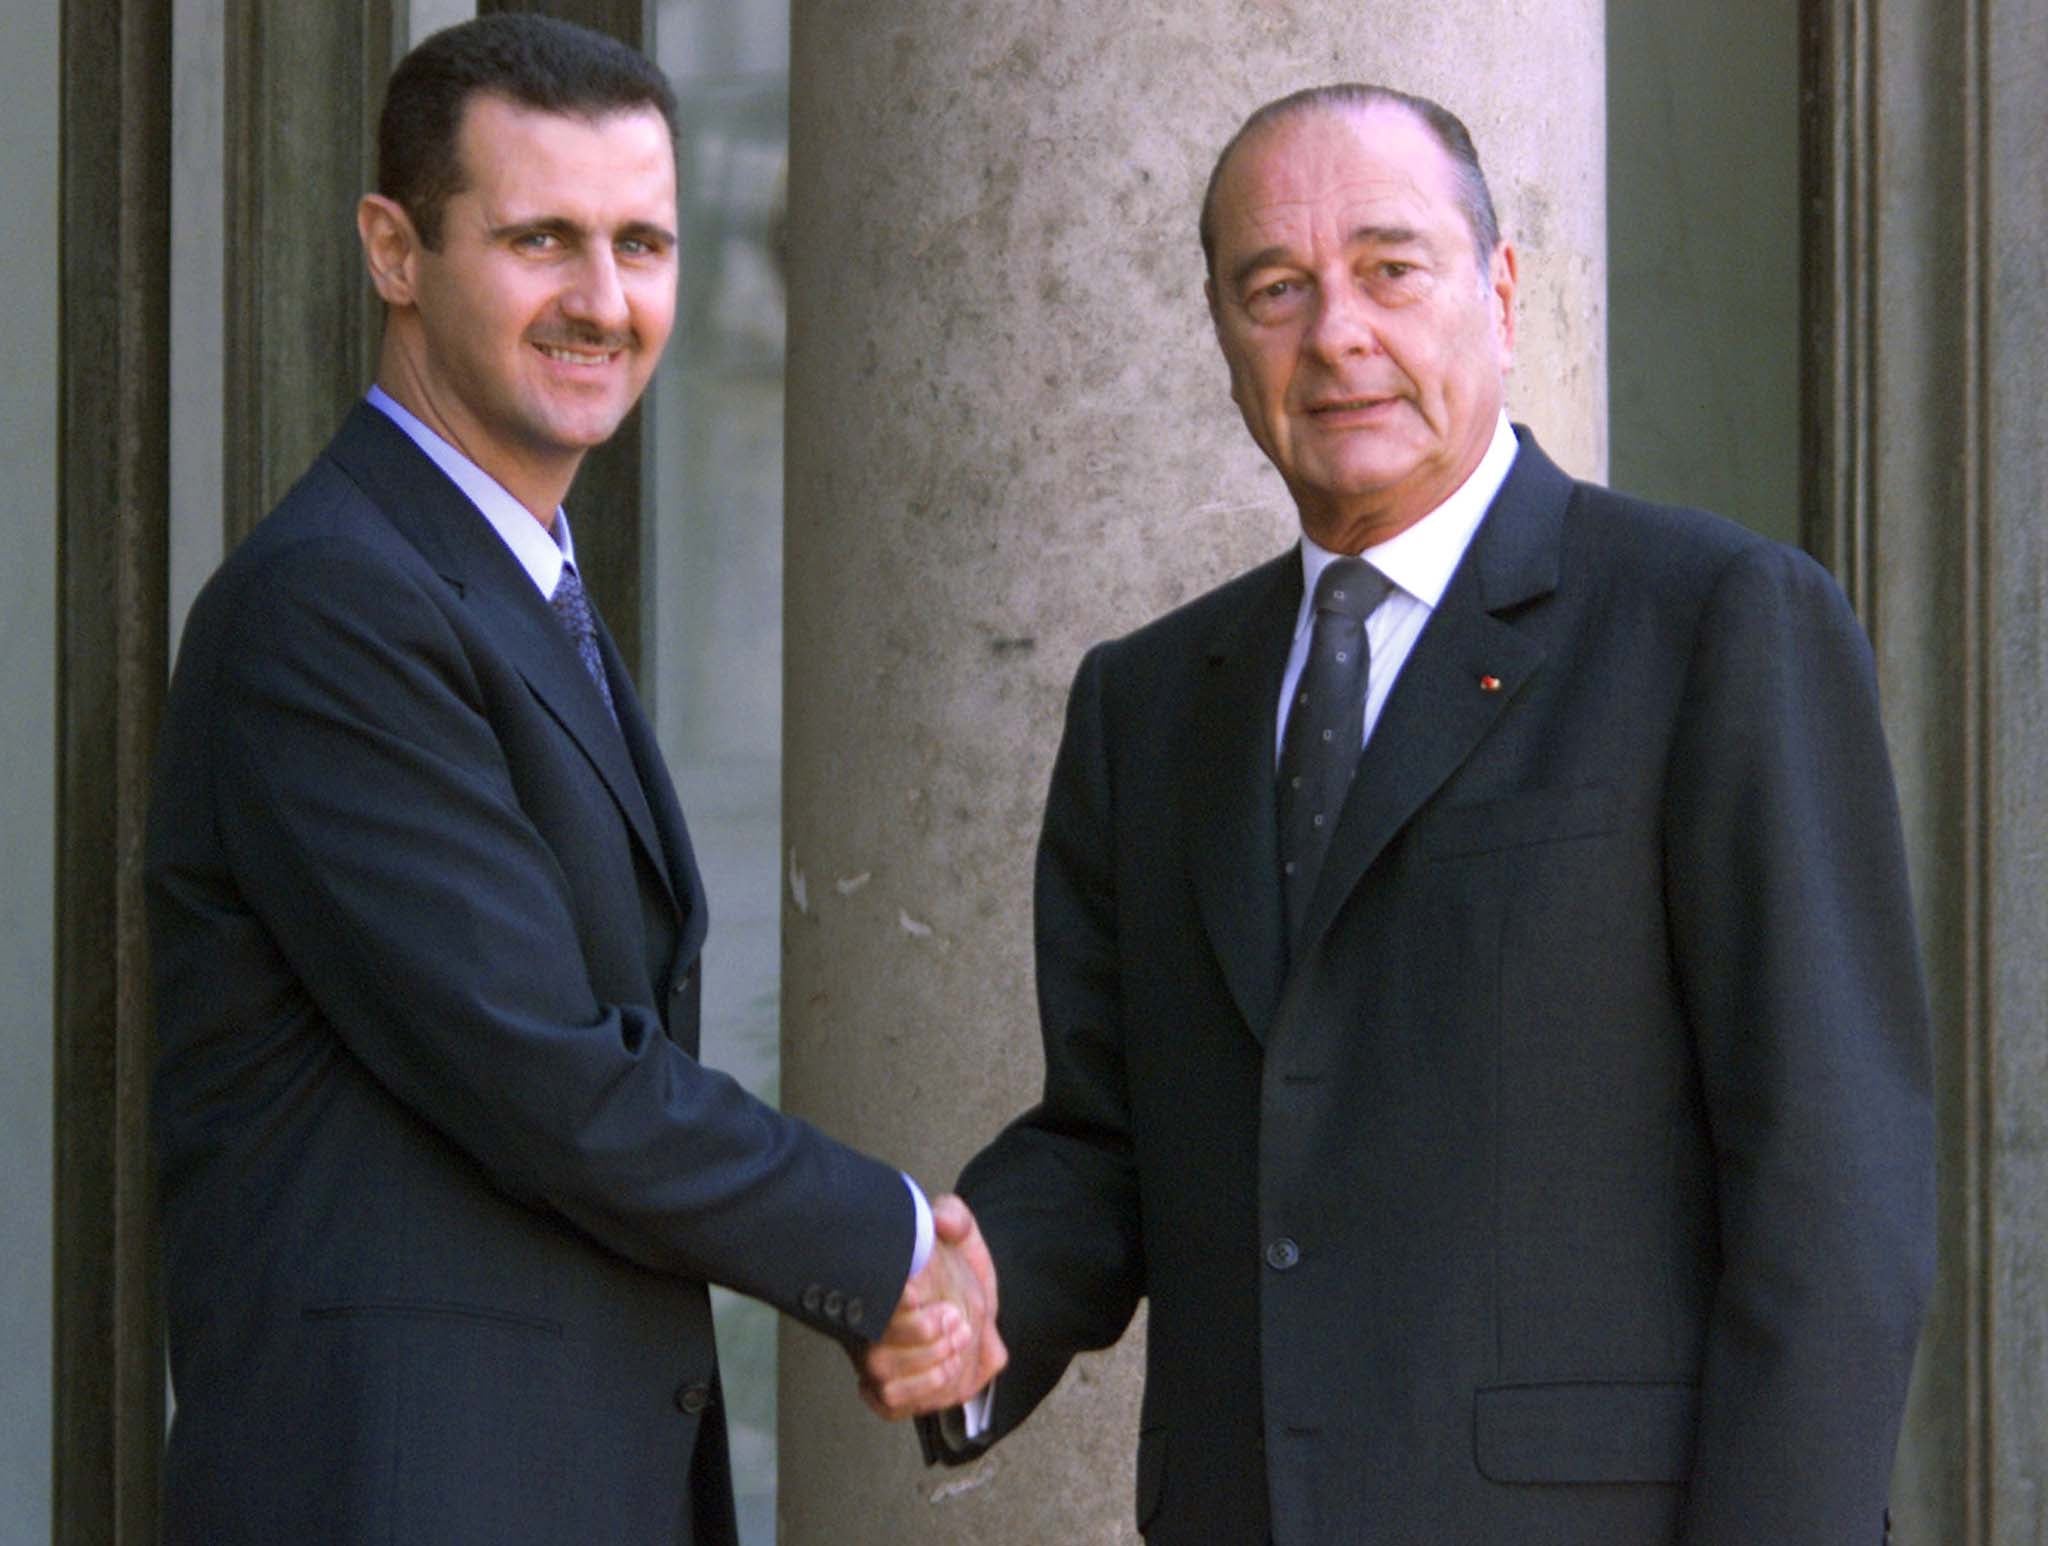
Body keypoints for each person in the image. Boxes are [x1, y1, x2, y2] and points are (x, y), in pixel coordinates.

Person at [878, 84, 1935, 1544]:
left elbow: (1833, 1189)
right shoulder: (1148, 703)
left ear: (1498, 292)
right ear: (1223, 333)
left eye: (1391, 269)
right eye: (1276, 288)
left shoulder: (1713, 623)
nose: (1336, 334)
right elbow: (1113, 1139)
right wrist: (972, 1288)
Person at [146, 16, 998, 1544]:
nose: (604, 301)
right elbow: (548, 1073)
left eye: (642, 244)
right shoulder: (332, 604)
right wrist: (884, 1242)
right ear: (394, 251)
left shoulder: (509, 582)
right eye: (541, 239)